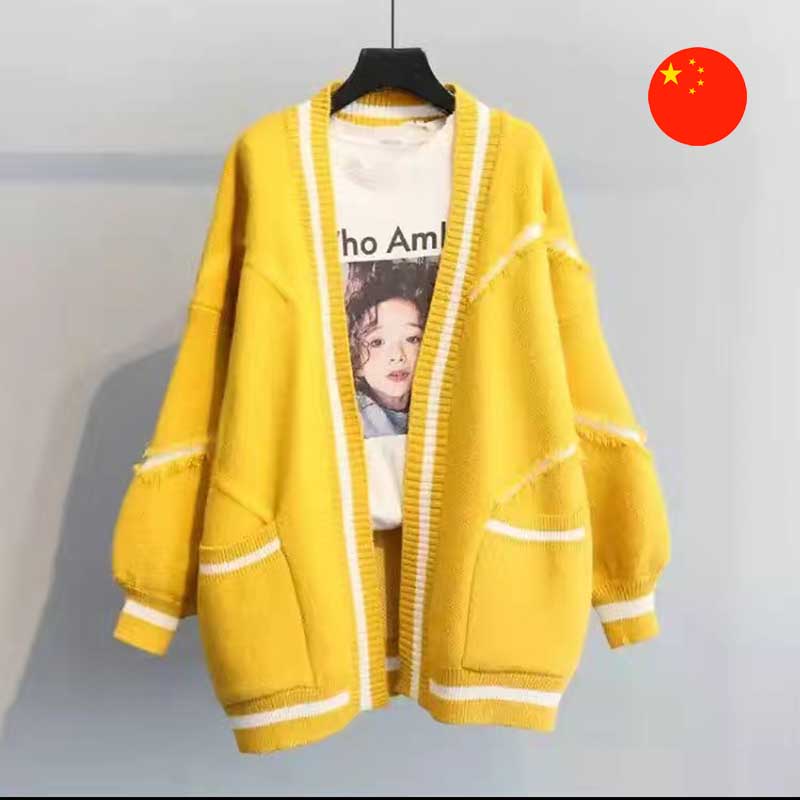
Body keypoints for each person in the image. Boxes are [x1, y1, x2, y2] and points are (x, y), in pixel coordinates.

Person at [345, 257, 437, 438]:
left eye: (412, 339)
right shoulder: (351, 421)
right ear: (356, 360)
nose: (397, 356)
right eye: (377, 342)